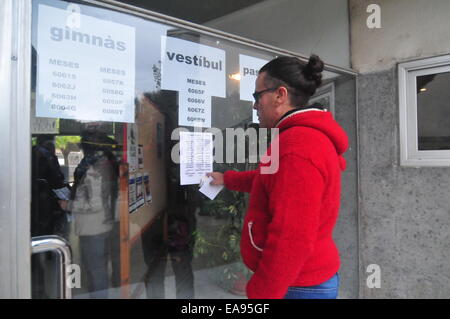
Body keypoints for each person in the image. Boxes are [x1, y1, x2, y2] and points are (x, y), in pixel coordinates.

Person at [207, 54, 349, 299]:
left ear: (280, 95)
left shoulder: (299, 146)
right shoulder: (300, 138)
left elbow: (292, 238)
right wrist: (227, 179)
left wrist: (262, 293)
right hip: (303, 281)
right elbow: (272, 180)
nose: (254, 106)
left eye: (257, 96)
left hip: (298, 286)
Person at [69, 130, 120, 298]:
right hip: (103, 224)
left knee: (96, 271)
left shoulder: (94, 168)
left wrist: (68, 204)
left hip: (93, 227)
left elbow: (95, 203)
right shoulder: (107, 163)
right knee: (99, 269)